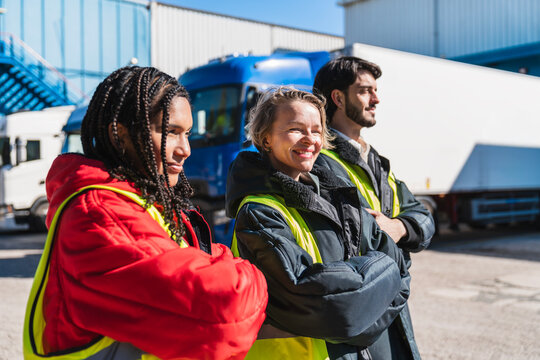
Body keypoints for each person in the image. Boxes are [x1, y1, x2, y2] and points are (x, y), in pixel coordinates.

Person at [23, 66, 268, 360]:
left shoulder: (140, 202)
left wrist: (224, 267)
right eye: (171, 132)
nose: (185, 149)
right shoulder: (100, 213)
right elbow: (225, 310)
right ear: (120, 135)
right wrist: (253, 275)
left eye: (188, 133)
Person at [225, 87, 411, 360]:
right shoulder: (258, 212)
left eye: (316, 130)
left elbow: (401, 273)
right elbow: (319, 305)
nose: (309, 139)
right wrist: (379, 277)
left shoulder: (339, 194)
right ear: (265, 138)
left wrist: (360, 305)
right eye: (296, 129)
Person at [313, 56, 436, 360]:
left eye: (375, 90)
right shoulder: (320, 163)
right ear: (338, 98)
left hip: (392, 300)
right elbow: (362, 239)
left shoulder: (378, 162)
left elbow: (423, 216)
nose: (376, 98)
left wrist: (400, 227)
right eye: (366, 90)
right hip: (364, 309)